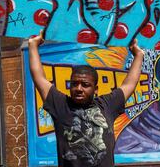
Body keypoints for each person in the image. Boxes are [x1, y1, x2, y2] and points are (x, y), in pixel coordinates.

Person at [28, 30, 144, 167]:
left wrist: (138, 55)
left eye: (85, 85)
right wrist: (33, 45)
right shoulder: (60, 105)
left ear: (95, 89)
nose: (78, 88)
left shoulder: (107, 104)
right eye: (74, 84)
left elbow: (129, 84)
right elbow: (39, 77)